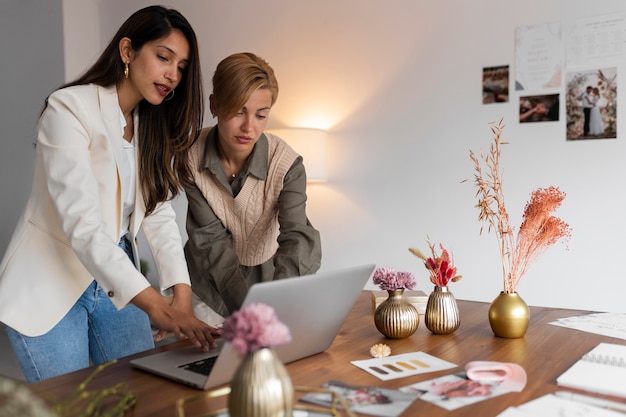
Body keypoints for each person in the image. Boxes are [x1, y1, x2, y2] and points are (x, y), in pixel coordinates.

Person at [0, 6, 220, 383]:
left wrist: (180, 293)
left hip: (117, 271)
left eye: (182, 67)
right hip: (49, 278)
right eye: (163, 57)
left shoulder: (150, 124)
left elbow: (158, 212)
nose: (173, 74)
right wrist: (159, 308)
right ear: (127, 51)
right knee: (72, 404)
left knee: (140, 394)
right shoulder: (69, 108)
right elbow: (83, 226)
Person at [182, 52, 322, 325]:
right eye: (238, 111)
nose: (249, 127)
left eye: (260, 115)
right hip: (208, 289)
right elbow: (211, 243)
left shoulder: (286, 165)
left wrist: (275, 306)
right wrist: (247, 315)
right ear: (215, 105)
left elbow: (297, 239)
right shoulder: (190, 158)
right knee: (209, 366)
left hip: (269, 286)